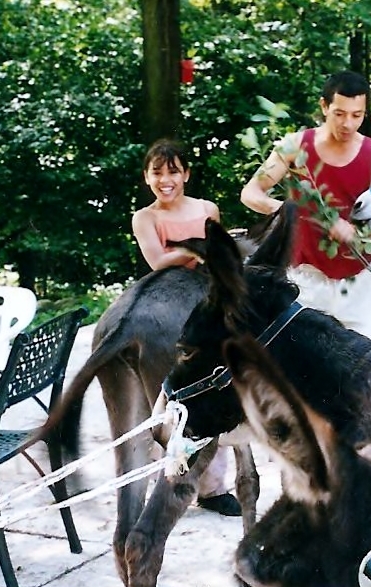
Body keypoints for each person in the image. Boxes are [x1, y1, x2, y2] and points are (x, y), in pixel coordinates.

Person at [132, 138, 241, 516]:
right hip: (167, 304)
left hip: (206, 303)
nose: (166, 180)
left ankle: (214, 488)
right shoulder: (146, 217)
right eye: (157, 172)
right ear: (147, 177)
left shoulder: (207, 208)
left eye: (173, 171)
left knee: (217, 387)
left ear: (186, 174)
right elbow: (158, 260)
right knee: (166, 399)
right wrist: (195, 247)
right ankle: (163, 482)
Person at [241, 70, 371, 343]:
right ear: (324, 107)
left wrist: (357, 232)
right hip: (304, 278)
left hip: (357, 281)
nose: (348, 123)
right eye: (339, 113)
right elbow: (251, 193)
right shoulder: (294, 146)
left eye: (357, 115)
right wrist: (289, 212)